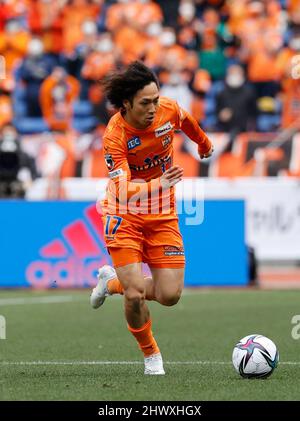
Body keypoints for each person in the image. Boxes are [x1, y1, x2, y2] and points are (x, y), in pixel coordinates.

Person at [90, 61, 213, 375]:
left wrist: (203, 143)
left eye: (156, 100)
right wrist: (160, 183)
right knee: (134, 294)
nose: (153, 108)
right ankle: (151, 356)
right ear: (127, 103)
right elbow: (122, 188)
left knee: (170, 295)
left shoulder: (166, 111)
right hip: (124, 213)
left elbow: (187, 121)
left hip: (162, 215)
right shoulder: (115, 135)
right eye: (145, 102)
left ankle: (110, 281)